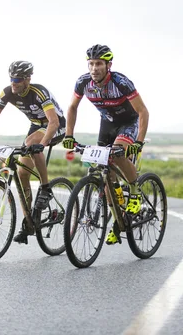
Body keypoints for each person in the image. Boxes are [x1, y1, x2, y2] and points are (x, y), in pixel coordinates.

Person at [62, 44, 149, 245]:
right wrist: (69, 134)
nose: (94, 68)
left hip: (129, 122)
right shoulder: (83, 82)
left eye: (99, 64)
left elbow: (143, 112)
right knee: (105, 170)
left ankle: (135, 192)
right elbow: (72, 107)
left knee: (117, 155)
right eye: (91, 64)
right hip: (107, 124)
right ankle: (118, 218)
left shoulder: (121, 82)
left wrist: (139, 142)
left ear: (108, 64)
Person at [0, 61, 66, 244]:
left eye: (17, 79)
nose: (13, 82)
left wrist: (43, 143)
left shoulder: (39, 92)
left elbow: (53, 122)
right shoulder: (8, 92)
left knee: (31, 143)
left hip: (55, 125)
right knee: (22, 172)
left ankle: (46, 188)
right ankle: (29, 222)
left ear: (27, 79)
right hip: (36, 125)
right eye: (11, 78)